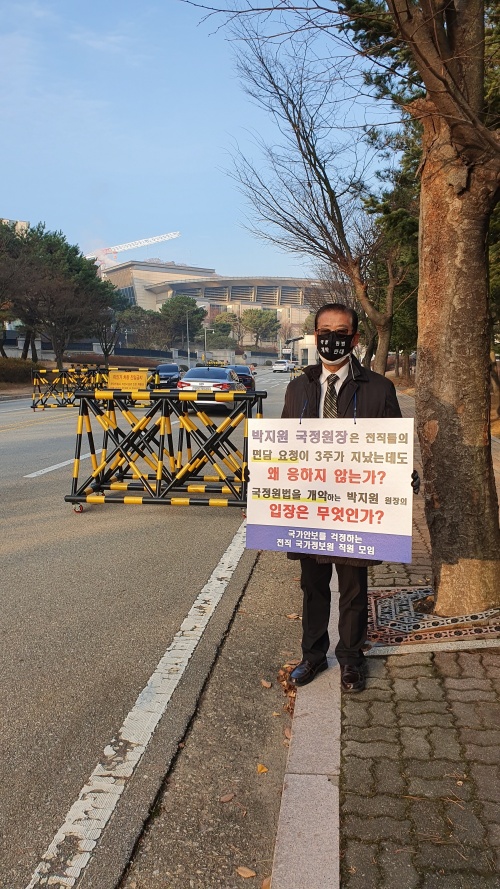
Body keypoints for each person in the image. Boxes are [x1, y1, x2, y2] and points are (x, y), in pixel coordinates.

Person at [282, 303, 419, 692]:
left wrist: (401, 475)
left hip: (357, 509)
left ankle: (351, 659)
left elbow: (393, 446)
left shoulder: (378, 388)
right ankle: (312, 657)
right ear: (315, 335)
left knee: (354, 587)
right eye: (325, 330)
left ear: (355, 338)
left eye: (341, 331)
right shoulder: (299, 387)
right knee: (312, 585)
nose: (332, 338)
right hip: (310, 508)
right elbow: (284, 449)